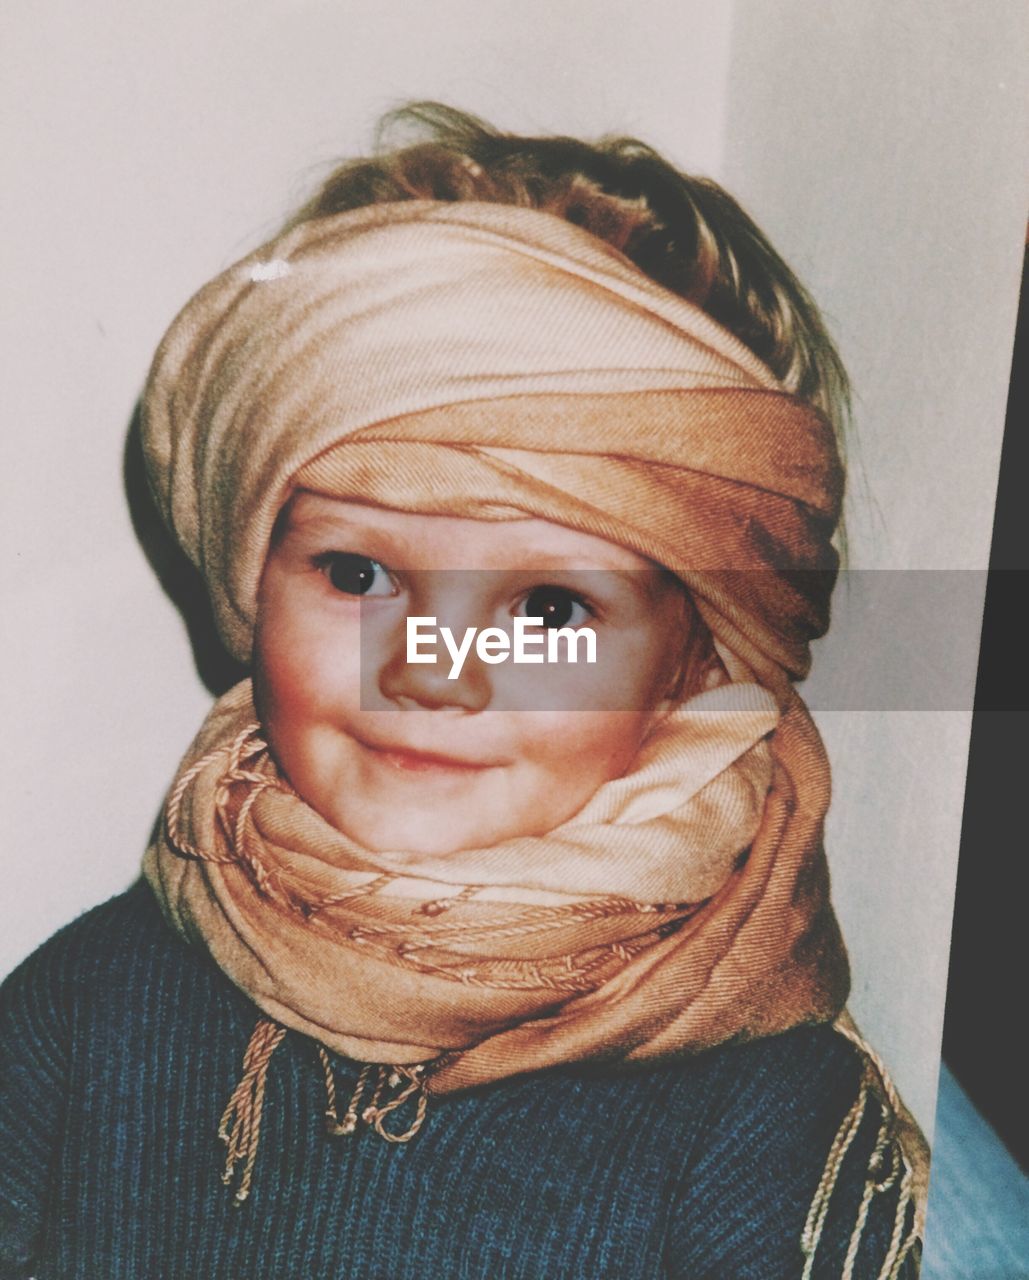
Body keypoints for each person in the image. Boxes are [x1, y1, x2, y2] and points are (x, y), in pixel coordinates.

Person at [0, 104, 927, 1279]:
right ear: (251, 574)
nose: (428, 672)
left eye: (547, 607)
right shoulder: (94, 1004)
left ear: (697, 661)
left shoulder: (767, 1119)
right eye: (358, 573)